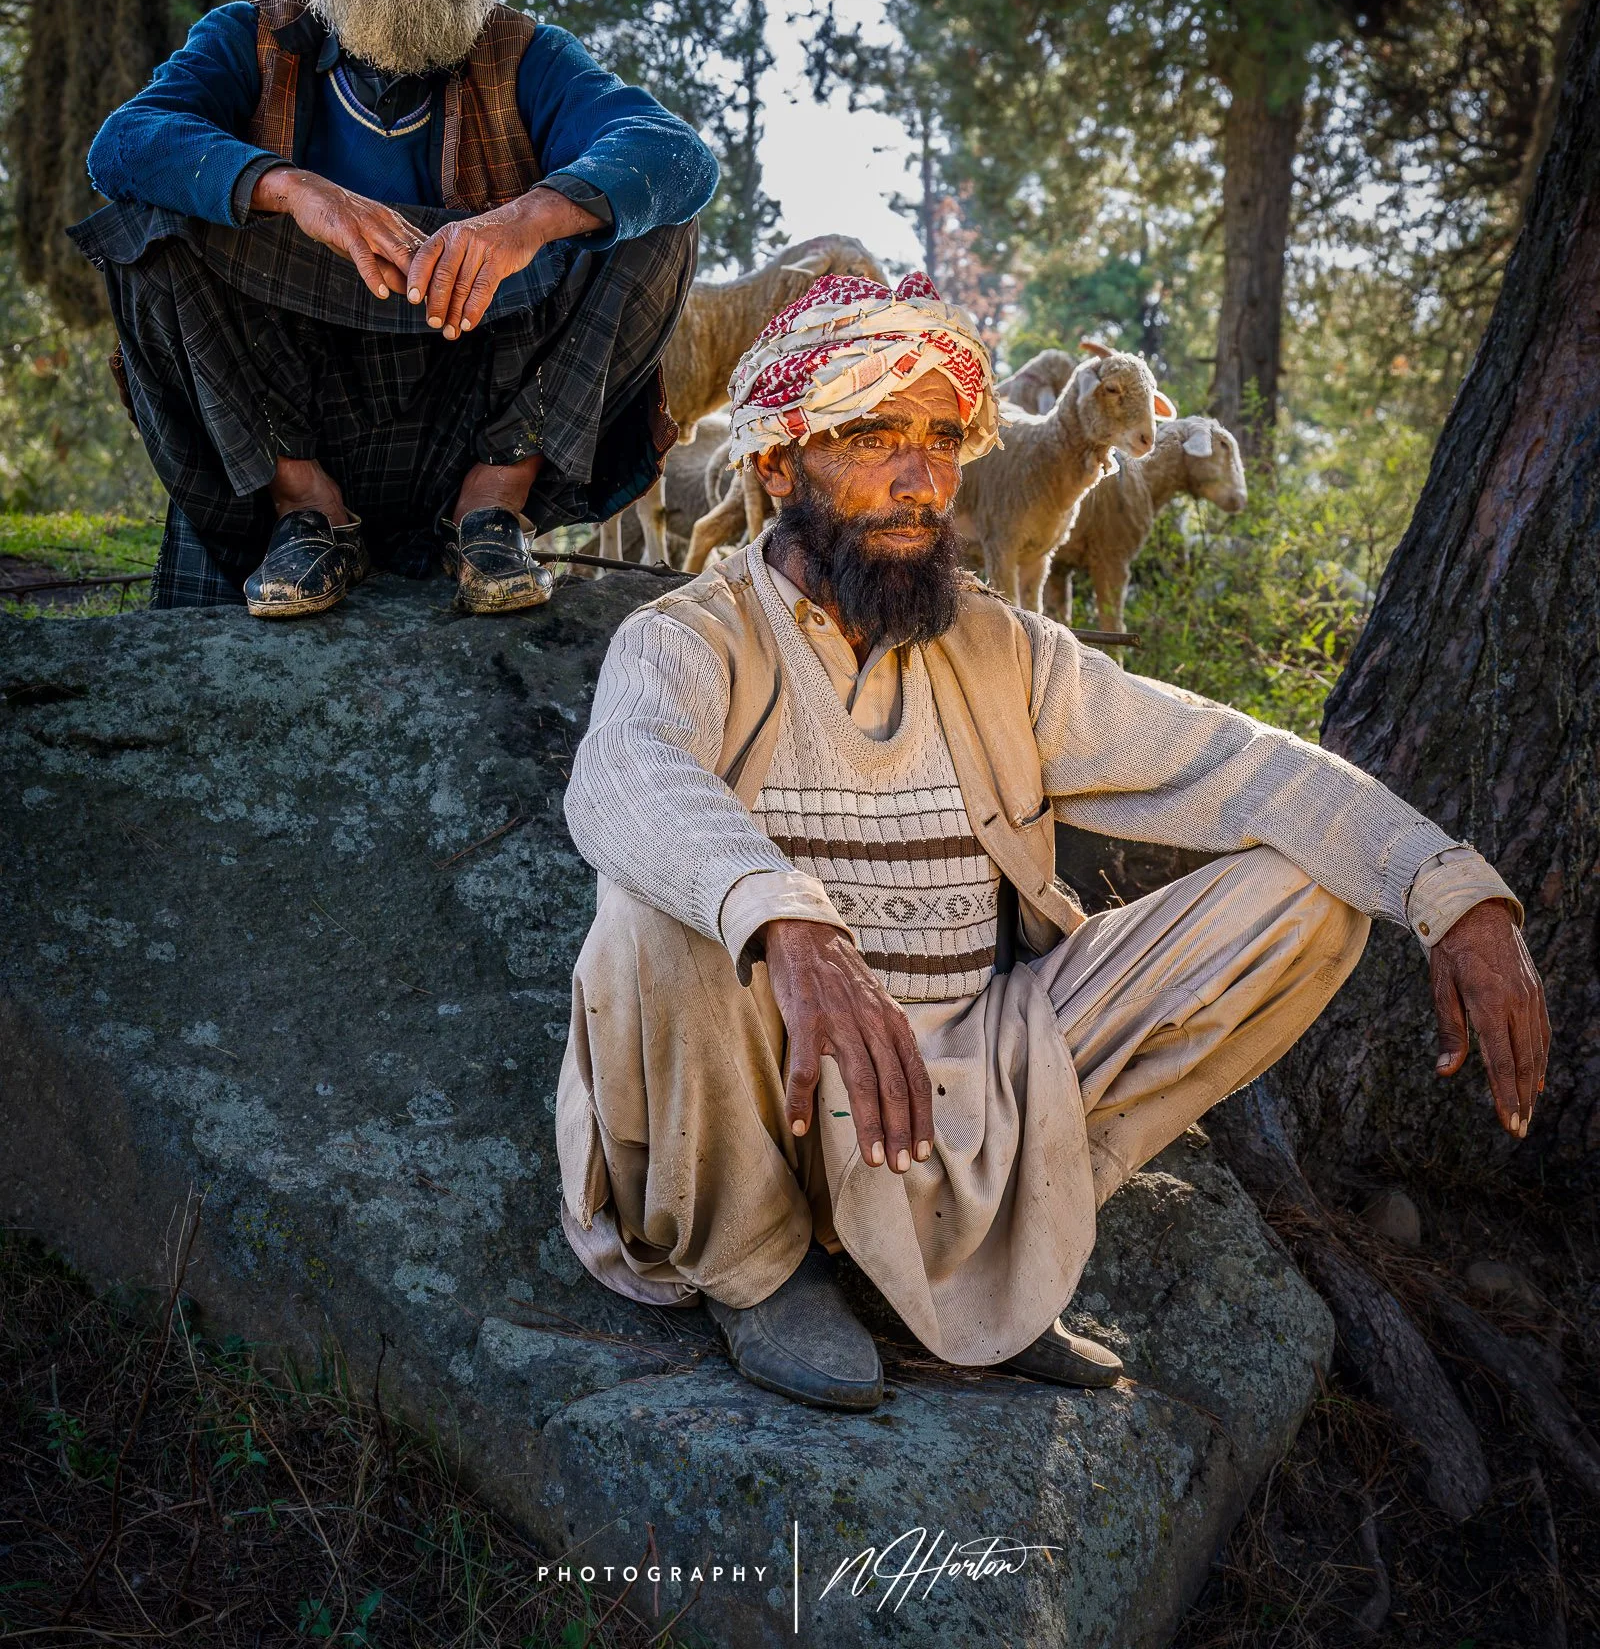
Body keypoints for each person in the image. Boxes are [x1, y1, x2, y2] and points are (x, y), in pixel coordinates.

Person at [556, 268, 1551, 1412]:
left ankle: (997, 1222)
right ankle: (760, 1264)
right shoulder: (686, 635)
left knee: (1312, 891)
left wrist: (1449, 887)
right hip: (766, 1095)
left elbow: (1235, 761)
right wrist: (787, 921)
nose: (921, 476)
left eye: (940, 438)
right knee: (662, 908)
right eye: (874, 433)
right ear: (779, 463)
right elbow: (624, 771)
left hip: (970, 1077)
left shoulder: (998, 648)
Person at [73, 0, 718, 617]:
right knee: (148, 214)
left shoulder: (525, 54)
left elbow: (675, 154)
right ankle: (308, 516)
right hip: (289, 414)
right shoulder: (249, 41)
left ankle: (490, 513)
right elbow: (125, 143)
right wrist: (295, 190)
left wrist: (526, 220)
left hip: (474, 413)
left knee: (648, 216)